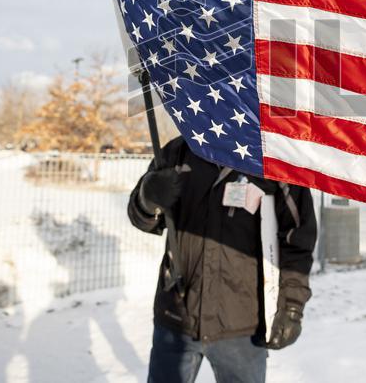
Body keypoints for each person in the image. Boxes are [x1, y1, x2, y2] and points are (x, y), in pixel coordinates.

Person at [128, 135, 317, 383]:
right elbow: (142, 218)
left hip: (243, 325)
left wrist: (292, 306)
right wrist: (147, 199)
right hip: (176, 316)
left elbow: (298, 241)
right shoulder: (178, 152)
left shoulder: (274, 157)